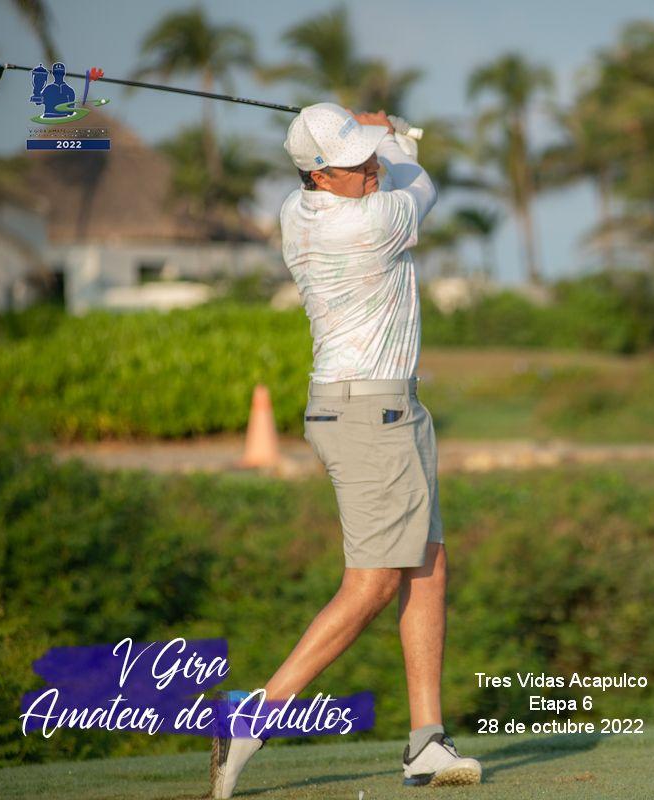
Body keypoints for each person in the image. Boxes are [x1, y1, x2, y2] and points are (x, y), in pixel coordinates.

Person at [209, 102, 481, 797]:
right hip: (369, 413)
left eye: (368, 156)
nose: (371, 168)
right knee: (372, 583)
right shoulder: (369, 221)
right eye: (355, 162)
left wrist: (369, 136)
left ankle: (427, 742)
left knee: (426, 562)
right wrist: (392, 135)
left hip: (381, 406)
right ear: (320, 175)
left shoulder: (294, 209)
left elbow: (381, 169)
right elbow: (422, 183)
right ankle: (250, 719)